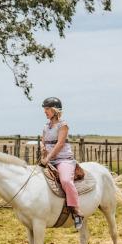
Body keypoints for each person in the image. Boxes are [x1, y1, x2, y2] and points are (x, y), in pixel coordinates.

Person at [38, 96, 83, 230]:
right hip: (50, 159)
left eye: (46, 109)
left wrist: (48, 158)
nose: (45, 112)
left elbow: (60, 144)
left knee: (65, 181)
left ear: (54, 110)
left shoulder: (63, 125)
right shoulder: (46, 126)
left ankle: (76, 211)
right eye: (44, 109)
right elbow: (43, 140)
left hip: (63, 160)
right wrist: (42, 147)